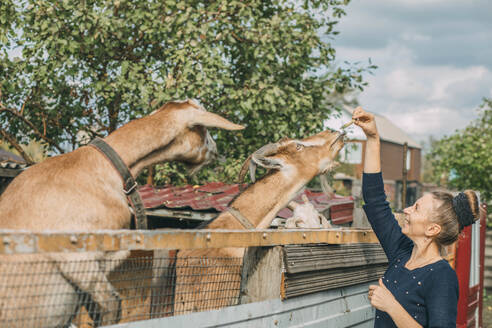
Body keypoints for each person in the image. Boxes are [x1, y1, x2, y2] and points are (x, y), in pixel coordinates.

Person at [352, 107, 480, 327]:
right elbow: (374, 201)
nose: (407, 210)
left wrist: (391, 306)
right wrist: (373, 138)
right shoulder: (401, 253)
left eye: (417, 208)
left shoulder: (442, 277)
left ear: (432, 229)